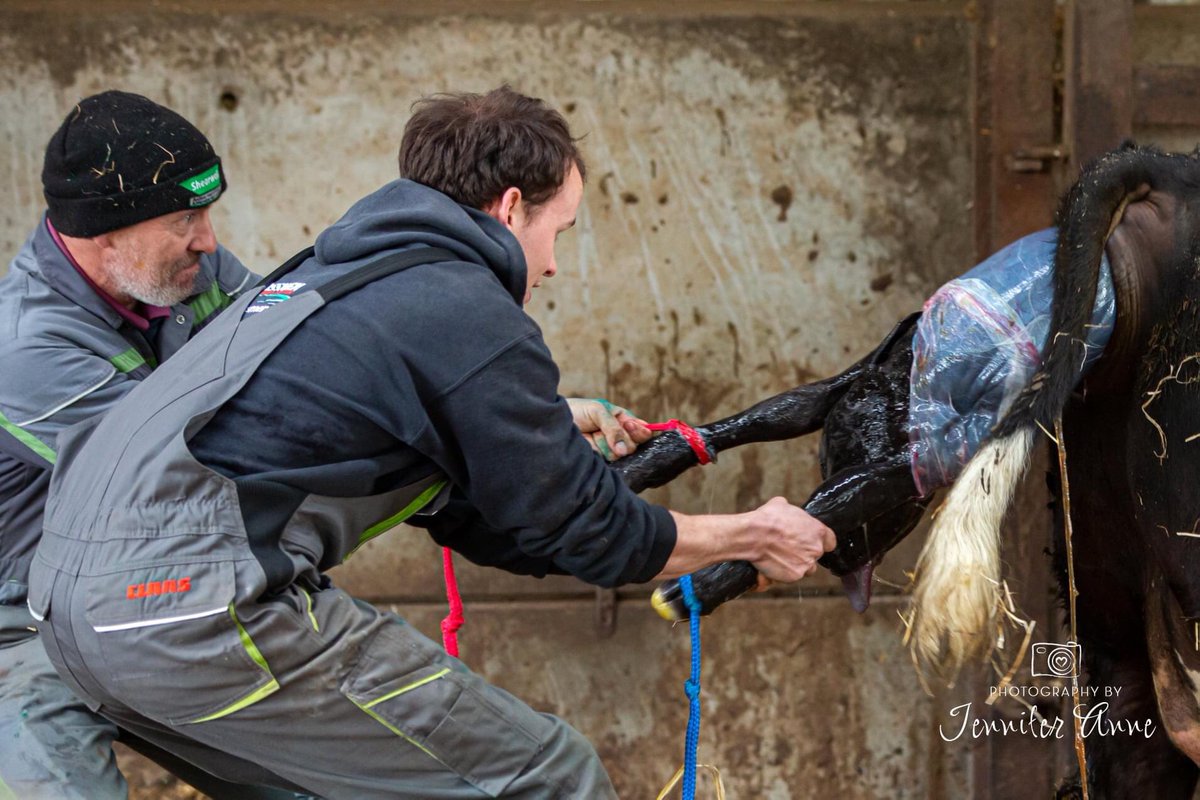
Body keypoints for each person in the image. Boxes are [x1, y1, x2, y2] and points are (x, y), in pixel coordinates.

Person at [30, 86, 835, 799]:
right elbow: (585, 531)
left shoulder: (329, 275)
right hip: (192, 615)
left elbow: (495, 520)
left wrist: (557, 466)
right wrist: (751, 535)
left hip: (74, 623)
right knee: (548, 777)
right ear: (511, 207)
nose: (553, 266)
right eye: (561, 231)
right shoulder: (463, 310)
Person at [0, 91, 307, 799]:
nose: (208, 238)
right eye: (185, 220)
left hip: (142, 597)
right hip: (22, 636)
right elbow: (184, 475)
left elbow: (297, 361)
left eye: (205, 214)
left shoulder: (182, 272)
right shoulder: (25, 348)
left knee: (313, 779)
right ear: (105, 233)